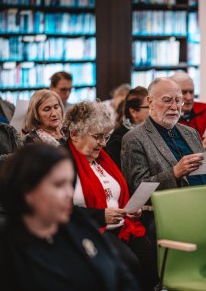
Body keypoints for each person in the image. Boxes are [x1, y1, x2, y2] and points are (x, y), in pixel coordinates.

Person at [0, 144, 140, 291]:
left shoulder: (77, 221)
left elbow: (120, 273)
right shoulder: (9, 249)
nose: (69, 193)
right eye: (59, 185)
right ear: (28, 192)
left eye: (70, 183)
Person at [121, 77, 206, 247]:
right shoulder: (134, 139)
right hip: (178, 208)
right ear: (150, 102)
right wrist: (174, 173)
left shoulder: (191, 133)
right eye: (167, 101)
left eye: (179, 101)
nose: (175, 108)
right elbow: (138, 189)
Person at [62, 101, 153, 290]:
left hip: (121, 225)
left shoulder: (104, 157)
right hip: (87, 230)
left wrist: (130, 210)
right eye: (97, 137)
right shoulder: (60, 163)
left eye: (105, 137)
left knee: (151, 257)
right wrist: (99, 216)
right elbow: (57, 212)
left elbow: (117, 195)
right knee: (130, 263)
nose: (103, 143)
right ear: (75, 134)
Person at [106, 86, 149, 168]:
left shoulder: (156, 130)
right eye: (148, 107)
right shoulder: (117, 140)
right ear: (133, 112)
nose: (153, 111)